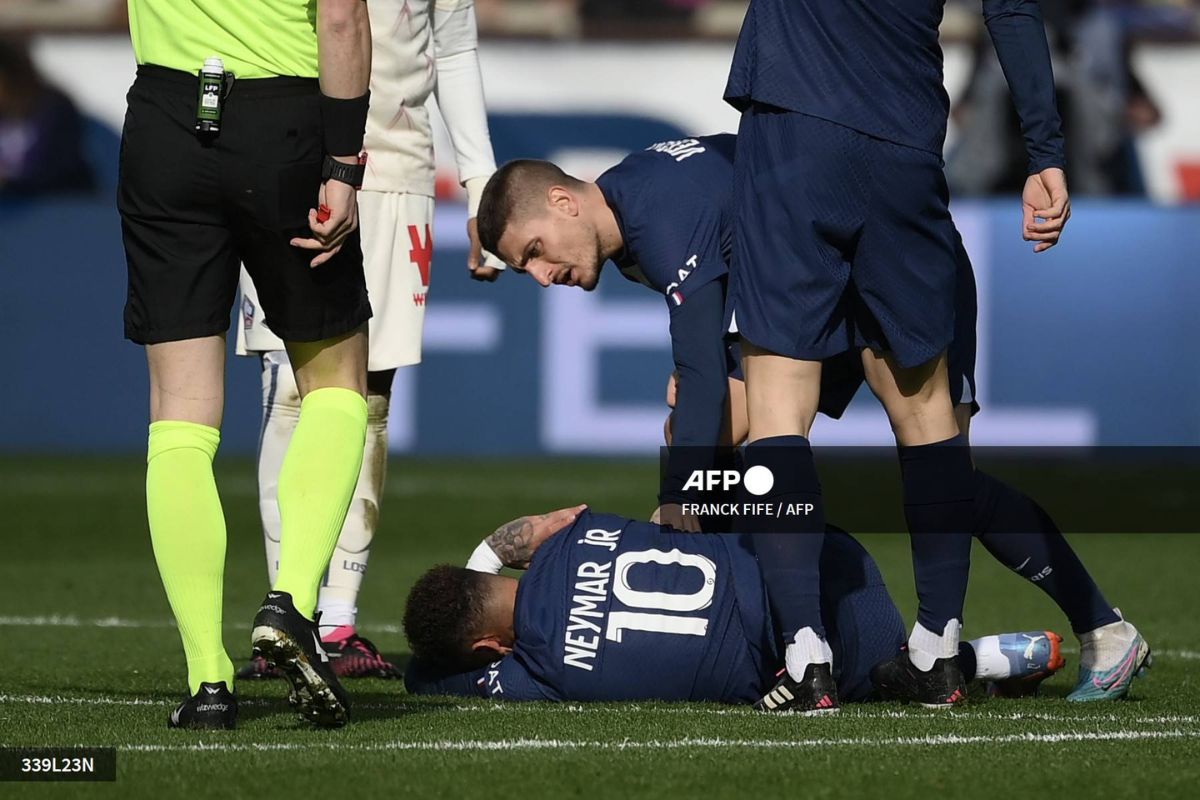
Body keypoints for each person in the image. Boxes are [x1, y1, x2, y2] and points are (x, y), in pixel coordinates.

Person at [477, 134, 1150, 705]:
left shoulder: (656, 214)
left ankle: (1102, 629)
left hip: (893, 265)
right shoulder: (634, 206)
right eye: (523, 269)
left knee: (944, 482)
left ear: (564, 202)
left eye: (534, 251)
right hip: (819, 290)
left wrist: (675, 499)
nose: (540, 276)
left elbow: (707, 369)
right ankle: (784, 630)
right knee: (706, 438)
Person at [721, 0, 1074, 712]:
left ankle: (806, 654)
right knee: (926, 408)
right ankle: (938, 650)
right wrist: (1046, 153)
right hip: (904, 143)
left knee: (778, 399)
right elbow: (1010, 8)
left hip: (795, 124)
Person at [120, 0, 374, 729]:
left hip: (166, 118)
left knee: (179, 416)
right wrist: (344, 162)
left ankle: (207, 682)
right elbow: (342, 18)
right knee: (335, 382)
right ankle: (290, 603)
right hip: (284, 120)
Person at [234, 0, 503, 683]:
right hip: (292, 157)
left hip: (398, 170)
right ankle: (288, 606)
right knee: (294, 388)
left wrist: (481, 185)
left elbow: (454, 45)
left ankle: (340, 620)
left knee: (370, 398)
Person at [403, 507, 1066, 705]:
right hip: (830, 557)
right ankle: (946, 652)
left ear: (490, 644)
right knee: (689, 507)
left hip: (832, 659)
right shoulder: (581, 530)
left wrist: (404, 669)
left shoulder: (535, 671)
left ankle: (969, 660)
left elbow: (438, 677)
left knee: (839, 685)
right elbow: (538, 528)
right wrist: (492, 545)